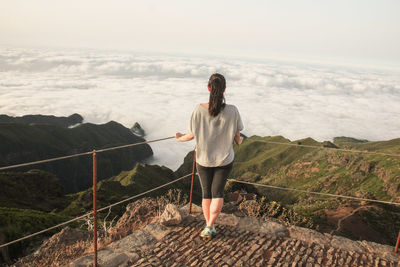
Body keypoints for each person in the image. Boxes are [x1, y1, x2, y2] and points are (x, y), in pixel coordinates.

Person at [175, 73, 244, 238]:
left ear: (208, 88)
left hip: (203, 159)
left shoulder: (198, 109)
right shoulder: (233, 111)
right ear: (224, 89)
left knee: (206, 194)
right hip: (224, 159)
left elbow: (190, 136)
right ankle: (210, 225)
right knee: (217, 193)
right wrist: (240, 142)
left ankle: (208, 226)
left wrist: (178, 138)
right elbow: (237, 137)